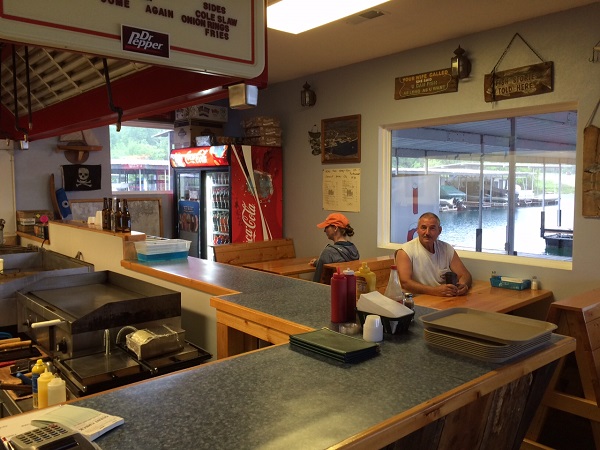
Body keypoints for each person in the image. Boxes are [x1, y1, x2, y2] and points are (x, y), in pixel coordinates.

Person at [396, 212, 472, 297]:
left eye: (432, 228)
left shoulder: (446, 248)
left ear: (439, 231)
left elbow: (465, 274)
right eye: (423, 228)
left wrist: (462, 285)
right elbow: (405, 283)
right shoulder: (405, 251)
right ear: (417, 230)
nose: (427, 233)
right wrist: (434, 291)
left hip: (442, 299)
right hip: (416, 301)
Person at [309, 213, 360, 282]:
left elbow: (317, 281)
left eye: (327, 227)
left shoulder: (328, 252)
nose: (324, 230)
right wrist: (318, 262)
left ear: (335, 228)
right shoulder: (353, 249)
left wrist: (322, 260)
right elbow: (339, 260)